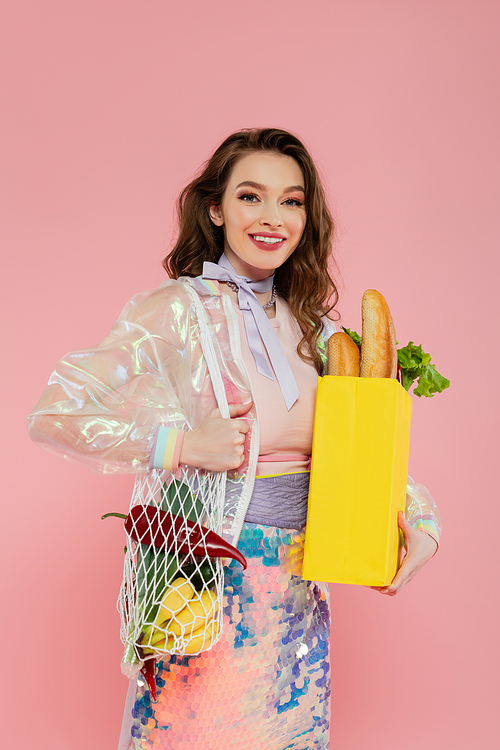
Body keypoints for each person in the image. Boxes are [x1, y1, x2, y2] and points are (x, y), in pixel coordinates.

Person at [27, 128, 441, 750]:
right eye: (252, 196)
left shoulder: (319, 332)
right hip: (204, 587)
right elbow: (56, 415)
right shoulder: (174, 311)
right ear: (216, 209)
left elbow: (361, 451)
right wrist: (180, 445)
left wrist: (423, 524)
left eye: (292, 201)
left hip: (301, 586)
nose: (273, 218)